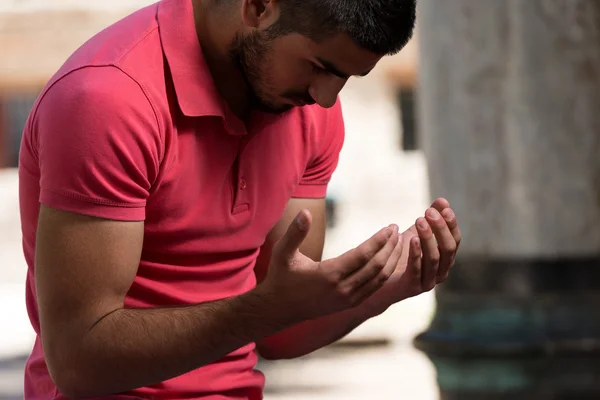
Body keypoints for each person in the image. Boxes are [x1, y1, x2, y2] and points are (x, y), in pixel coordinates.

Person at [18, 0, 461, 399]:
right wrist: (264, 309)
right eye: (320, 67)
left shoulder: (306, 110)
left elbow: (280, 331)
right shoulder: (109, 100)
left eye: (346, 77)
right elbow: (79, 361)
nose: (326, 97)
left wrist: (388, 285)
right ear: (258, 6)